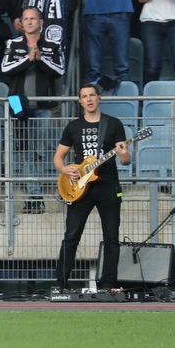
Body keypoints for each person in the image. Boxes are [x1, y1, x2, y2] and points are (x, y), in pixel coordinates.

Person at [54, 83, 130, 290]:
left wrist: (124, 155)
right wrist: (65, 170)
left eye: (92, 95)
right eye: (84, 96)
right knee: (71, 236)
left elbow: (124, 160)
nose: (88, 99)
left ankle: (108, 284)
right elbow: (58, 157)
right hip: (79, 187)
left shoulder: (113, 124)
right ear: (80, 101)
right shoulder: (73, 127)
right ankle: (60, 284)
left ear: (99, 98)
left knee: (111, 237)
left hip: (108, 186)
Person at [0, 6, 65, 214]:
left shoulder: (53, 45)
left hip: (44, 105)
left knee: (36, 151)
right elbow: (5, 69)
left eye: (32, 19)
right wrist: (28, 60)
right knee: (25, 151)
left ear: (41, 22)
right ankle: (34, 197)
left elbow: (59, 70)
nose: (28, 22)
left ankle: (34, 197)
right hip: (17, 102)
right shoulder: (13, 43)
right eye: (25, 19)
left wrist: (41, 59)